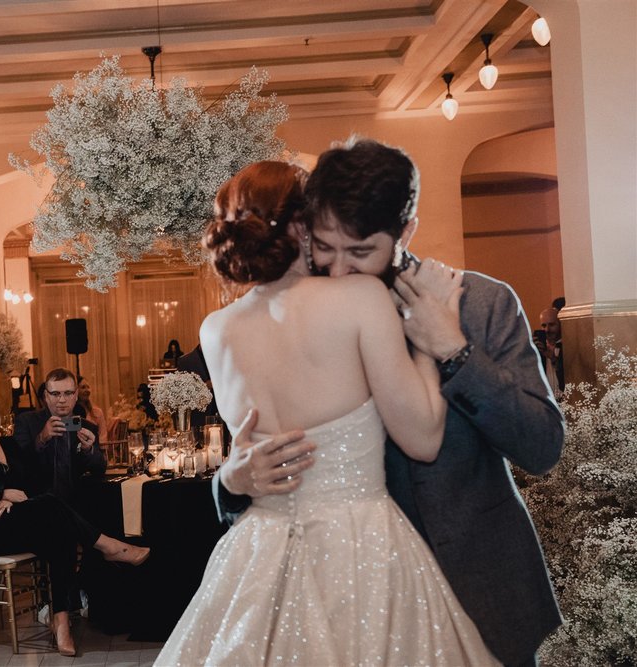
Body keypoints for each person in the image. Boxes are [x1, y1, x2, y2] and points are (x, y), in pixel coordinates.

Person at [212, 140, 564, 666]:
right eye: (325, 248)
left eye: (359, 252)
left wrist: (454, 350)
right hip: (346, 593)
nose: (336, 270)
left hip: (479, 582)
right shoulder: (286, 314)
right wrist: (230, 481)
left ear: (406, 232)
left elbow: (542, 446)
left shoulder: (482, 302)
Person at [157, 159, 496, 665]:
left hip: (257, 550)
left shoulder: (215, 330)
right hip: (359, 545)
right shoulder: (357, 298)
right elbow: (423, 438)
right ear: (299, 226)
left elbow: (244, 447)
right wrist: (430, 338)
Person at [0, 387, 149, 656]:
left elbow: (31, 483)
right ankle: (108, 547)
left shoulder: (6, 444)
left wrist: (13, 498)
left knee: (57, 532)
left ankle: (60, 621)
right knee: (53, 511)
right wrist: (0, 493)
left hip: (11, 521)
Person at [13, 368, 106, 501]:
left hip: (78, 506)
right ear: (46, 395)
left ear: (76, 395)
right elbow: (19, 467)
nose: (62, 399)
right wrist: (41, 438)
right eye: (55, 393)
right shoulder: (27, 422)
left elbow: (100, 469)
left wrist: (88, 450)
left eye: (68, 393)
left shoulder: (87, 427)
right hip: (38, 504)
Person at [538, 306, 564, 394]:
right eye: (543, 325)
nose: (547, 330)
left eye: (552, 325)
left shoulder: (569, 347)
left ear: (560, 324)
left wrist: (554, 359)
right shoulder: (537, 350)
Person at [76, 376, 109, 442]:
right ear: (76, 391)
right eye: (83, 387)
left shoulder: (97, 412)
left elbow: (103, 437)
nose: (87, 390)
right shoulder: (70, 412)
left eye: (88, 387)